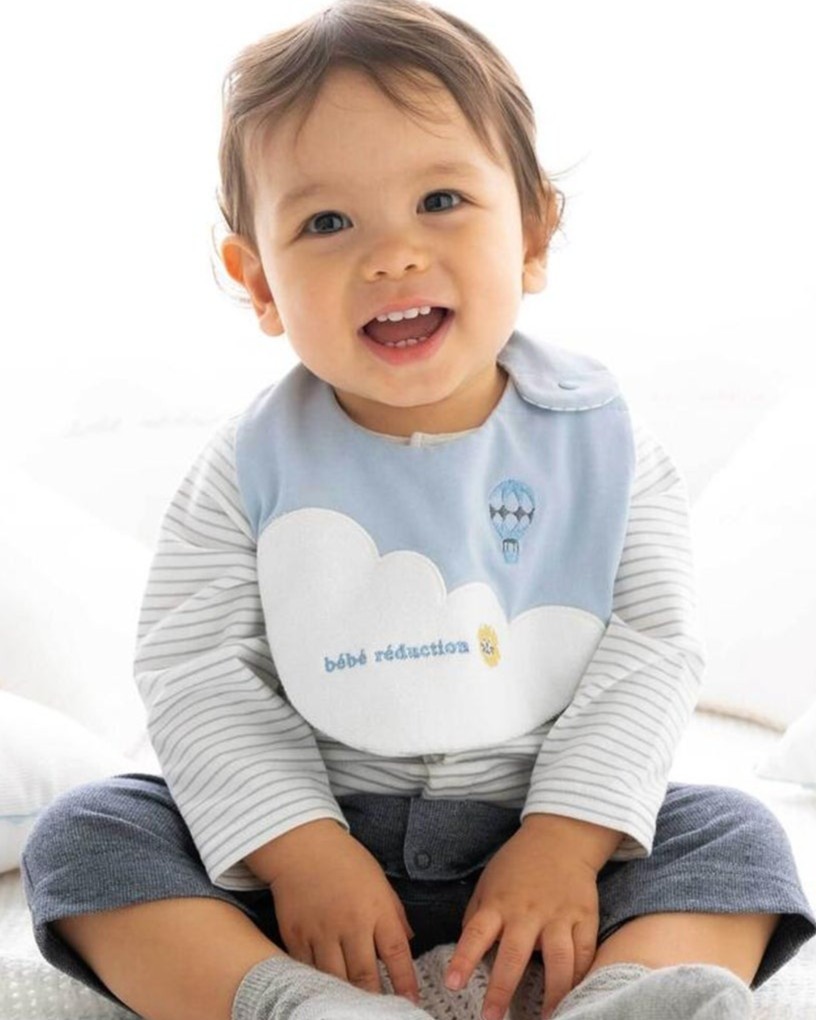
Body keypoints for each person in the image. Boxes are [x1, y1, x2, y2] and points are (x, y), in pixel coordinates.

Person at [22, 2, 815, 1019]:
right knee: (87, 835)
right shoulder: (248, 467)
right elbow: (195, 672)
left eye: (441, 200)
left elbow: (652, 651)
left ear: (533, 233)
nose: (392, 254)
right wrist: (301, 851)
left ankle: (621, 999)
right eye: (326, 223)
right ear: (258, 280)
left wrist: (566, 841)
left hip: (543, 845)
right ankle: (301, 1005)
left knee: (734, 839)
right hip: (308, 857)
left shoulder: (608, 449)